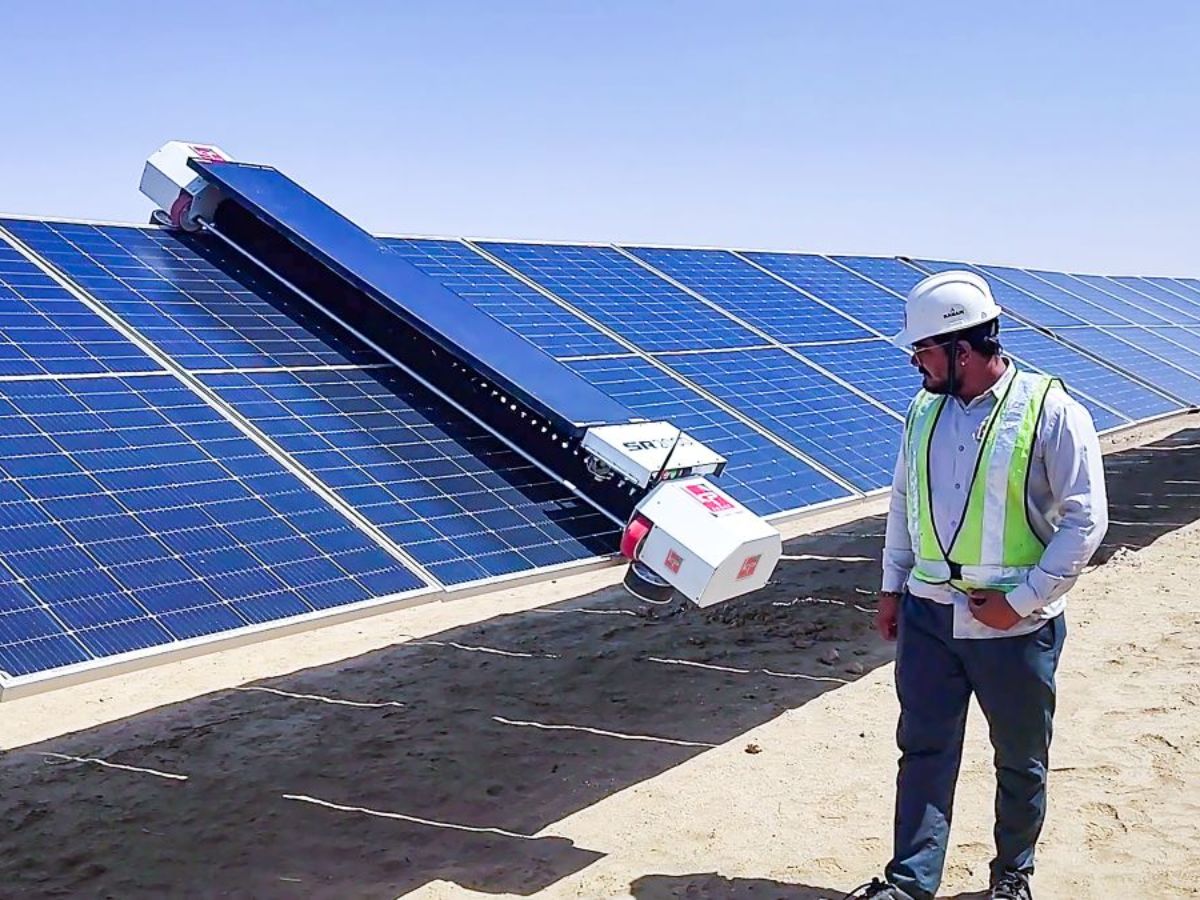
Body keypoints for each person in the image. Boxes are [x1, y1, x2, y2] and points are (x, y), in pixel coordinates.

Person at [844, 271, 1109, 900]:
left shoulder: (1051, 410)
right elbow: (903, 503)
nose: (916, 362)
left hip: (1016, 628)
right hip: (929, 616)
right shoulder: (922, 411)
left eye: (925, 350)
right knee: (924, 751)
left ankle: (1011, 877)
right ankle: (910, 883)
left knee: (1020, 760)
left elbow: (1086, 519)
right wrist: (891, 587)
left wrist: (1021, 601)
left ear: (965, 348)